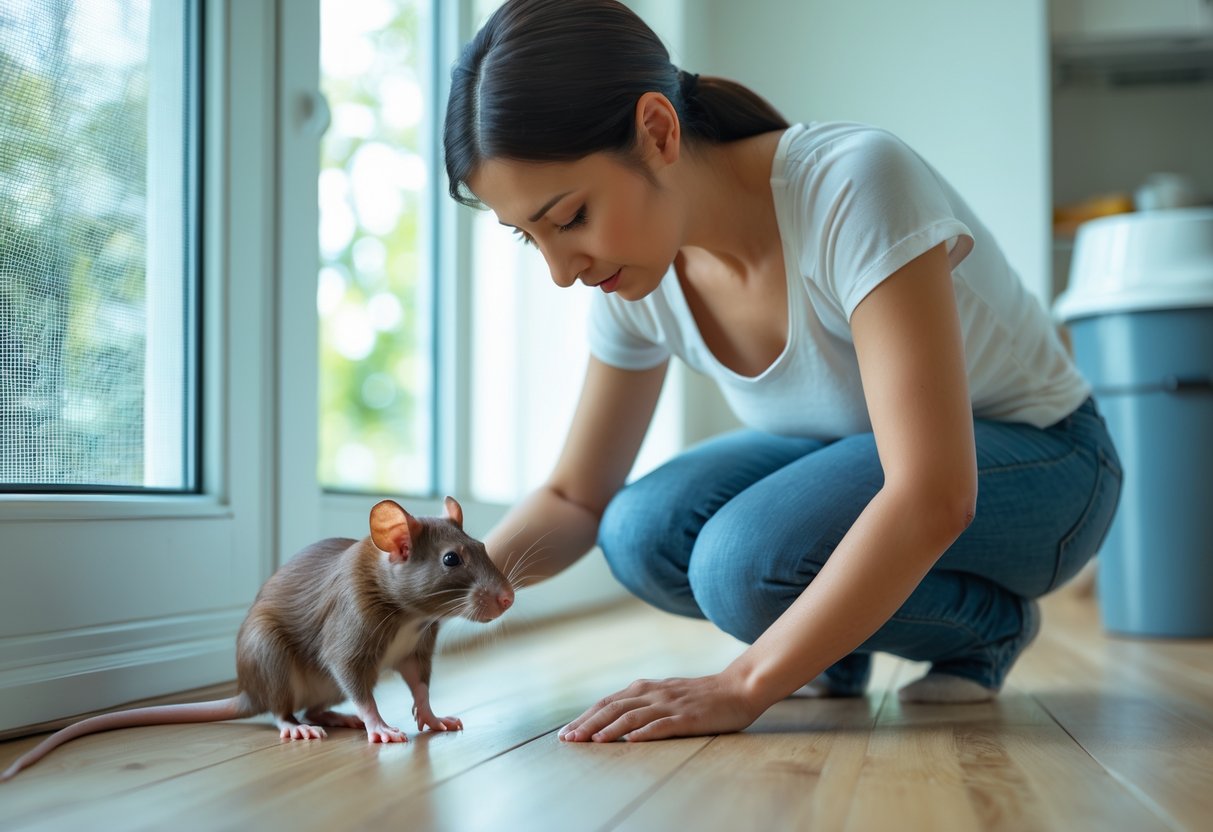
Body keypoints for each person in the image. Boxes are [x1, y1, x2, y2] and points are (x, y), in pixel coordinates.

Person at [444, 0, 1122, 743]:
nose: (560, 272)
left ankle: (983, 631)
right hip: (858, 455)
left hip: (1050, 463)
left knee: (744, 565)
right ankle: (836, 646)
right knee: (640, 530)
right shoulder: (632, 278)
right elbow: (577, 497)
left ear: (658, 131)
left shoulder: (851, 183)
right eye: (528, 237)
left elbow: (932, 490)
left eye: (569, 217)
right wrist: (419, 604)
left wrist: (744, 684)